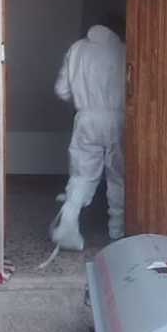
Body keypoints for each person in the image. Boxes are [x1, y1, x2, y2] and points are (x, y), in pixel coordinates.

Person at [50, 13, 126, 252]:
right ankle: (118, 232)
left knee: (82, 175)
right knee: (118, 176)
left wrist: (84, 101)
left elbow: (61, 90)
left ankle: (67, 225)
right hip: (118, 118)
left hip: (85, 118)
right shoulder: (124, 50)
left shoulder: (76, 49)